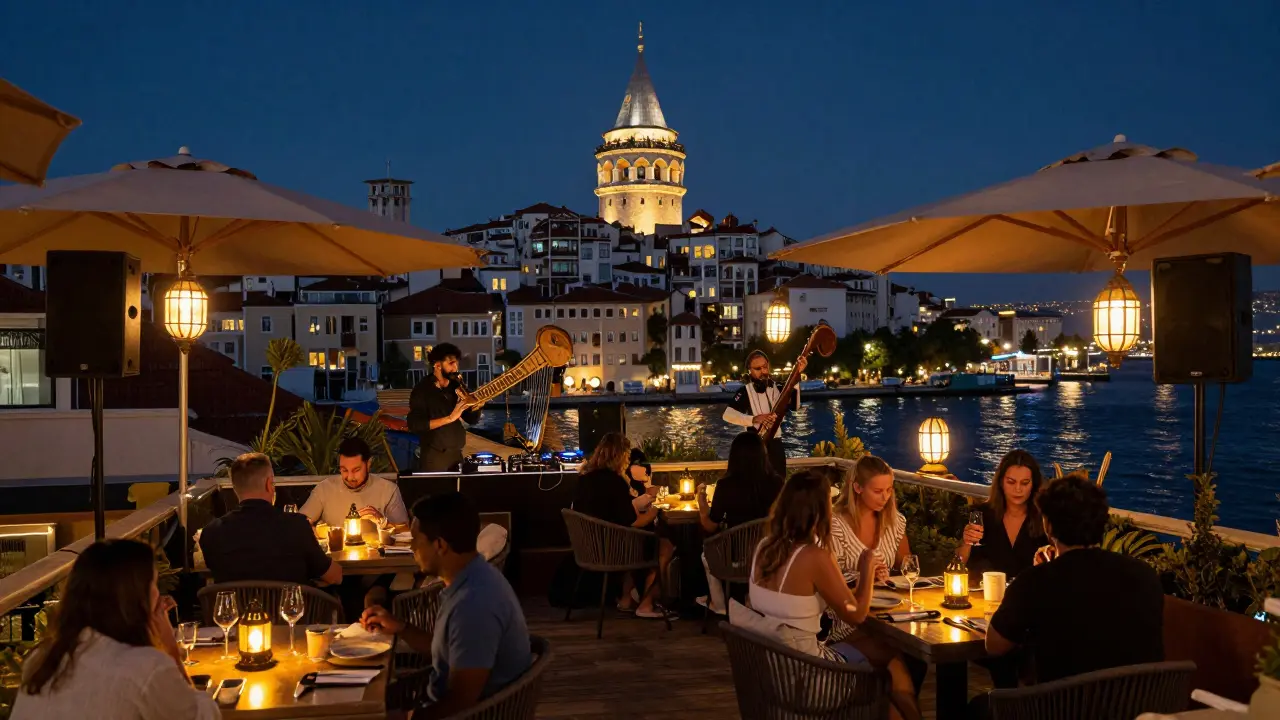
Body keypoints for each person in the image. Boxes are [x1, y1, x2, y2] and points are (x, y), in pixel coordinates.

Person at [741, 470, 919, 720]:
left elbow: (820, 598)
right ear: (820, 511)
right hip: (809, 681)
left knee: (881, 650)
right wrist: (866, 569)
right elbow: (856, 615)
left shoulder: (764, 548)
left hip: (772, 670)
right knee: (891, 664)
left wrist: (856, 585)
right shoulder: (815, 556)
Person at [983, 472, 1164, 688]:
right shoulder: (1143, 574)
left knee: (981, 704)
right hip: (1139, 702)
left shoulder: (1037, 581)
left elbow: (994, 645)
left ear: (1048, 526)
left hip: (1065, 703)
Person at [361, 493, 531, 719]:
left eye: (415, 539)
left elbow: (460, 702)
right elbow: (448, 652)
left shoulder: (474, 603)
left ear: (440, 545)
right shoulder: (472, 578)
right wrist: (401, 627)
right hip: (436, 700)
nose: (411, 547)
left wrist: (406, 717)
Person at [13, 539, 220, 720]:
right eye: (154, 584)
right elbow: (202, 716)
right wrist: (170, 648)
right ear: (136, 597)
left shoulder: (41, 660)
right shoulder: (147, 668)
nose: (159, 594)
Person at [571, 432, 675, 619]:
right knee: (665, 546)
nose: (628, 460)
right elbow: (634, 522)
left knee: (637, 540)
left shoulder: (584, 479)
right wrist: (656, 510)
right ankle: (647, 604)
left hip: (588, 547)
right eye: (626, 456)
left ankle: (626, 599)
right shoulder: (615, 482)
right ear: (620, 456)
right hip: (614, 550)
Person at [200, 452, 342, 586]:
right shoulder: (296, 526)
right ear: (269, 484)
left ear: (235, 488)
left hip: (236, 605)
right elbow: (334, 576)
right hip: (289, 604)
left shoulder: (211, 533)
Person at [694, 431, 785, 614]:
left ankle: (719, 604)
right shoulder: (777, 483)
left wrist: (702, 509)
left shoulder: (725, 485)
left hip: (736, 559)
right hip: (770, 556)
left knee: (706, 554)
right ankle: (755, 600)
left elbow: (711, 526)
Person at [958, 449, 1045, 582]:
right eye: (1011, 482)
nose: (1018, 489)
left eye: (1024, 483)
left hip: (1031, 593)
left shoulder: (1044, 519)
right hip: (987, 592)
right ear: (1001, 482)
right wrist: (966, 543)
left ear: (1033, 484)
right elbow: (959, 564)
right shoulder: (981, 515)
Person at [722, 349, 806, 477]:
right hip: (754, 447)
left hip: (776, 445)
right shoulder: (744, 392)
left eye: (765, 367)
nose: (763, 371)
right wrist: (754, 419)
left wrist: (797, 374)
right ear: (749, 370)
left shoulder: (779, 388)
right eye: (758, 369)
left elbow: (795, 406)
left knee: (779, 481)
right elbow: (727, 415)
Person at [830, 455, 909, 585]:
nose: (885, 497)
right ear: (858, 488)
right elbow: (831, 578)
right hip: (849, 596)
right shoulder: (835, 525)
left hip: (887, 595)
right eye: (878, 491)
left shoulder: (894, 521)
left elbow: (907, 567)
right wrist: (866, 575)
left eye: (889, 490)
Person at [300, 437, 409, 529]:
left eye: (356, 470)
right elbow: (299, 523)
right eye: (344, 470)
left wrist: (383, 522)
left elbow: (405, 529)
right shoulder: (325, 488)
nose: (350, 477)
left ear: (368, 464)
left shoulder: (388, 490)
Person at [407, 343, 485, 472]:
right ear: (437, 365)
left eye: (457, 363)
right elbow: (415, 424)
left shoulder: (456, 386)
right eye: (451, 363)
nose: (456, 368)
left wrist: (477, 406)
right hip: (434, 457)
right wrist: (450, 418)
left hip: (456, 455)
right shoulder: (422, 390)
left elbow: (471, 419)